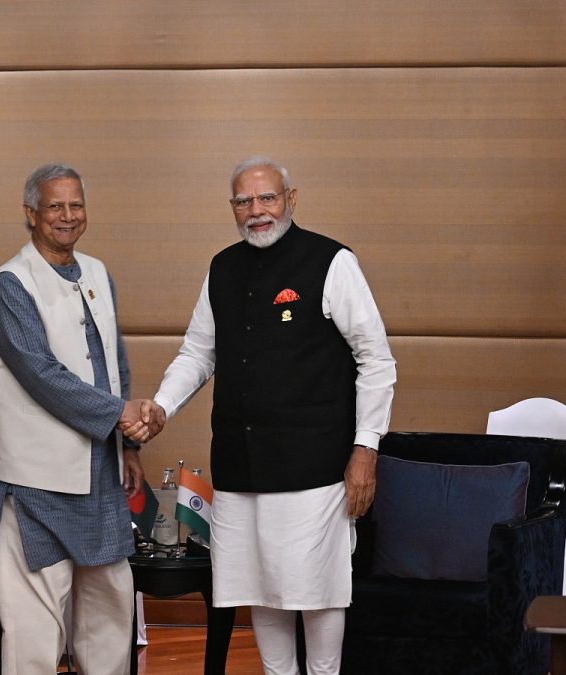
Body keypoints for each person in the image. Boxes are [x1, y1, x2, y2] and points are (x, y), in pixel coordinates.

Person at [140, 156, 397, 674]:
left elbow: (376, 358)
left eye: (267, 198)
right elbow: (197, 353)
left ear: (291, 199)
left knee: (318, 591)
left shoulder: (331, 262)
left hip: (314, 468)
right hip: (240, 470)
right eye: (244, 201)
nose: (257, 211)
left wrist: (365, 449)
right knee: (260, 589)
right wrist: (162, 406)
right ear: (232, 207)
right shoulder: (222, 267)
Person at [0, 162, 159, 674]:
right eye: (54, 205)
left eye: (76, 204)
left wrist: (129, 447)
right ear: (30, 213)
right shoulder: (8, 286)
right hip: (34, 481)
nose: (67, 215)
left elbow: (114, 364)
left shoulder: (98, 274)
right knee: (33, 626)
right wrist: (123, 415)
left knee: (109, 609)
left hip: (97, 473)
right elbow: (43, 375)